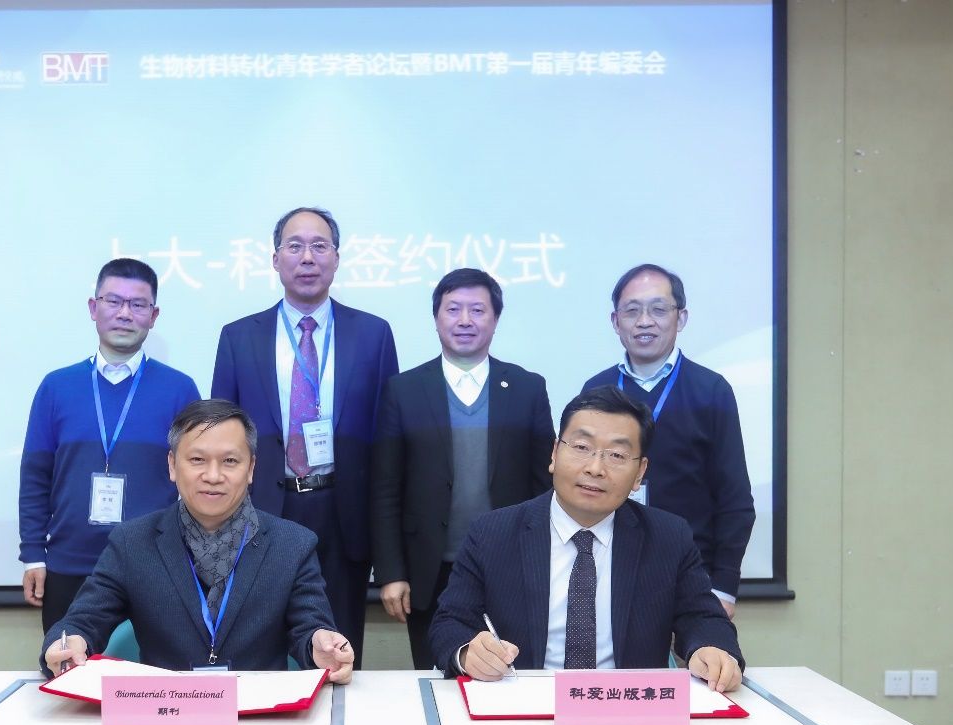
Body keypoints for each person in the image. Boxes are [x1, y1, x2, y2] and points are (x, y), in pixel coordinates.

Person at [429, 386, 744, 692]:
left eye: (617, 455)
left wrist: (712, 649)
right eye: (581, 448)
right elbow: (450, 622)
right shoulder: (492, 533)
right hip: (523, 701)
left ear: (639, 473)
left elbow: (704, 618)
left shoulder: (668, 537)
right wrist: (468, 653)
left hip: (628, 709)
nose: (595, 468)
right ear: (554, 453)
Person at [43, 399, 354, 683]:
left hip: (257, 715)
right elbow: (84, 620)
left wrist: (319, 642)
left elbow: (310, 627)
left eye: (230, 461)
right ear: (172, 465)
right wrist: (69, 643)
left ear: (251, 468)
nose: (213, 475)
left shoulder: (292, 545)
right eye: (197, 459)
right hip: (163, 713)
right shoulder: (132, 543)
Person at [211, 207, 398, 666]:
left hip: (344, 512)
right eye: (295, 246)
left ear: (337, 258)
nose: (307, 257)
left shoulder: (373, 334)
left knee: (339, 646)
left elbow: (388, 439)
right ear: (276, 259)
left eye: (319, 246)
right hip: (262, 511)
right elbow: (221, 436)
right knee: (259, 643)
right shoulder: (239, 337)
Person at [371, 268, 554, 669]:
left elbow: (545, 486)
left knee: (511, 675)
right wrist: (390, 572)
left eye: (478, 310)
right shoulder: (404, 390)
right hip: (428, 569)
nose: (465, 320)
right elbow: (385, 488)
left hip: (512, 565)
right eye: (453, 309)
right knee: (438, 674)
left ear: (495, 318)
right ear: (436, 317)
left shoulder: (527, 388)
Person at [19, 258, 200, 633]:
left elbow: (197, 480)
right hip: (69, 565)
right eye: (113, 301)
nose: (124, 313)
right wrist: (33, 554)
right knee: (69, 667)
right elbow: (36, 477)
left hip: (155, 566)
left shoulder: (180, 390)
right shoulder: (56, 387)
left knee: (150, 670)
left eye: (138, 304)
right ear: (93, 308)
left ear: (153, 316)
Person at [581, 264, 755, 617]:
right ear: (616, 321)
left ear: (681, 317)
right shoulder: (596, 390)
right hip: (607, 571)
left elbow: (734, 497)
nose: (644, 321)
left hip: (691, 573)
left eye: (658, 309)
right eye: (632, 311)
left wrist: (724, 586)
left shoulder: (711, 390)